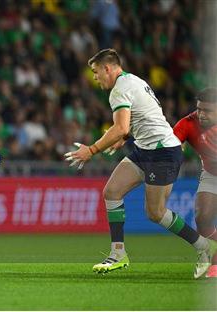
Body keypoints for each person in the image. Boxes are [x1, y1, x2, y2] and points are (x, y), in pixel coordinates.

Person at [64, 49, 217, 278]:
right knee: (112, 192)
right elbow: (145, 116)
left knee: (155, 213)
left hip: (163, 152)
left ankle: (204, 246)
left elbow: (122, 127)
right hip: (146, 149)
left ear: (108, 68)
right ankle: (118, 254)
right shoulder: (133, 80)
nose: (95, 77)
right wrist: (123, 138)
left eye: (96, 72)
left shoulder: (119, 90)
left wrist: (92, 150)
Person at [173, 87, 217, 278]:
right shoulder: (188, 123)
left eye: (207, 110)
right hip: (211, 173)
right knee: (202, 216)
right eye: (199, 109)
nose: (201, 114)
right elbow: (170, 143)